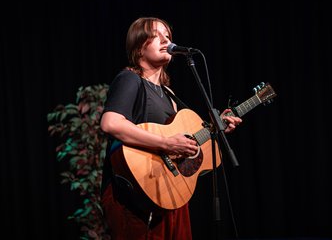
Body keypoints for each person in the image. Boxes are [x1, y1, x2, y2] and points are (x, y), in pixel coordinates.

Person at [100, 16, 242, 240]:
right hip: (135, 193)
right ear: (139, 44)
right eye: (157, 35)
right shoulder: (130, 79)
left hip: (168, 192)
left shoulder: (170, 95)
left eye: (168, 36)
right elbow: (111, 123)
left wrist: (217, 127)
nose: (166, 40)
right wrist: (166, 143)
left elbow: (183, 145)